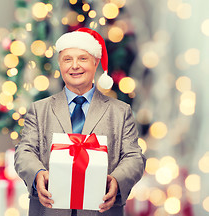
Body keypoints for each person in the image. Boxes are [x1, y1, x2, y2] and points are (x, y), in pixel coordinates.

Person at [14, 27, 146, 216]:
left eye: (82, 59)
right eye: (68, 59)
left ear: (95, 62)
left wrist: (117, 180)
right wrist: (37, 174)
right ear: (60, 65)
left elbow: (134, 157)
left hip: (101, 210)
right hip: (50, 210)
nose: (74, 66)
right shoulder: (39, 109)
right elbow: (24, 151)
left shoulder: (120, 112)